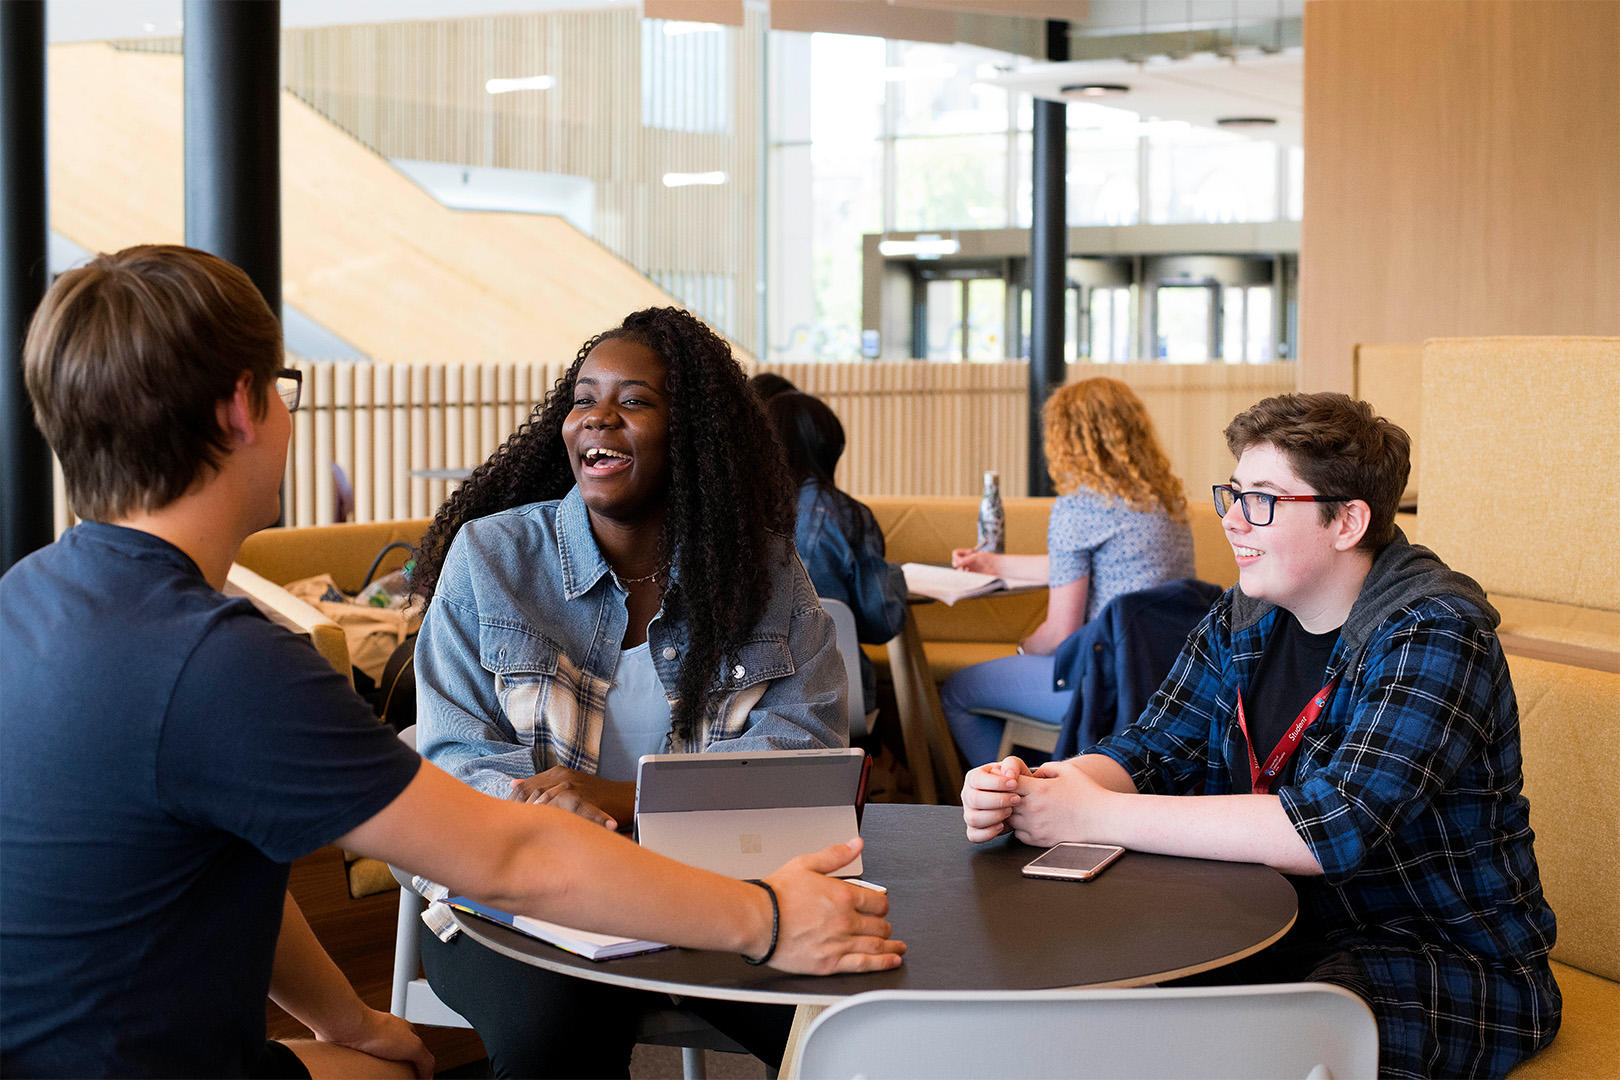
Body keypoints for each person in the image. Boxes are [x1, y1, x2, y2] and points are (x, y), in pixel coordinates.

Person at [0, 246, 904, 1080]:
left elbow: (223, 861)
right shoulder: (227, 666)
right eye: (284, 387)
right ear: (244, 408)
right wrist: (771, 919)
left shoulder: (24, 602)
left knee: (392, 1061)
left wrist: (350, 1020)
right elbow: (506, 854)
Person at [961, 393, 1559, 1079]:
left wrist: (1094, 813)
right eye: (1233, 494)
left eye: (1264, 501)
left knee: (1254, 1045)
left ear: (1347, 521)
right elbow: (1150, 748)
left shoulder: (1434, 631)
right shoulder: (1245, 613)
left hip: (1434, 957)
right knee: (1081, 1000)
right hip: (1267, 923)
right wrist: (1041, 785)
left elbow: (1334, 825)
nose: (1232, 520)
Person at [407, 308, 848, 1077]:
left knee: (851, 1020)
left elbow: (796, 757)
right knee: (556, 1030)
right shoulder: (492, 559)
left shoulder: (765, 575)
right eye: (583, 398)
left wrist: (613, 801)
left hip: (711, 889)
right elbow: (453, 763)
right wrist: (549, 823)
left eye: (635, 400)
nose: (597, 418)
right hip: (522, 900)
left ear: (696, 437)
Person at [940, 377, 1195, 765]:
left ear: (1066, 441)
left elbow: (1061, 635)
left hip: (1103, 684)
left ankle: (1014, 806)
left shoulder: (1079, 510)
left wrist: (1022, 648)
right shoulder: (1165, 502)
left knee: (958, 689)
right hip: (1165, 675)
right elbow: (1098, 569)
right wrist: (992, 563)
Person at [765, 390, 907, 717]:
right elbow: (882, 622)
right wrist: (896, 576)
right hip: (839, 696)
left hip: (747, 699)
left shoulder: (736, 512)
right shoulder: (846, 514)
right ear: (830, 449)